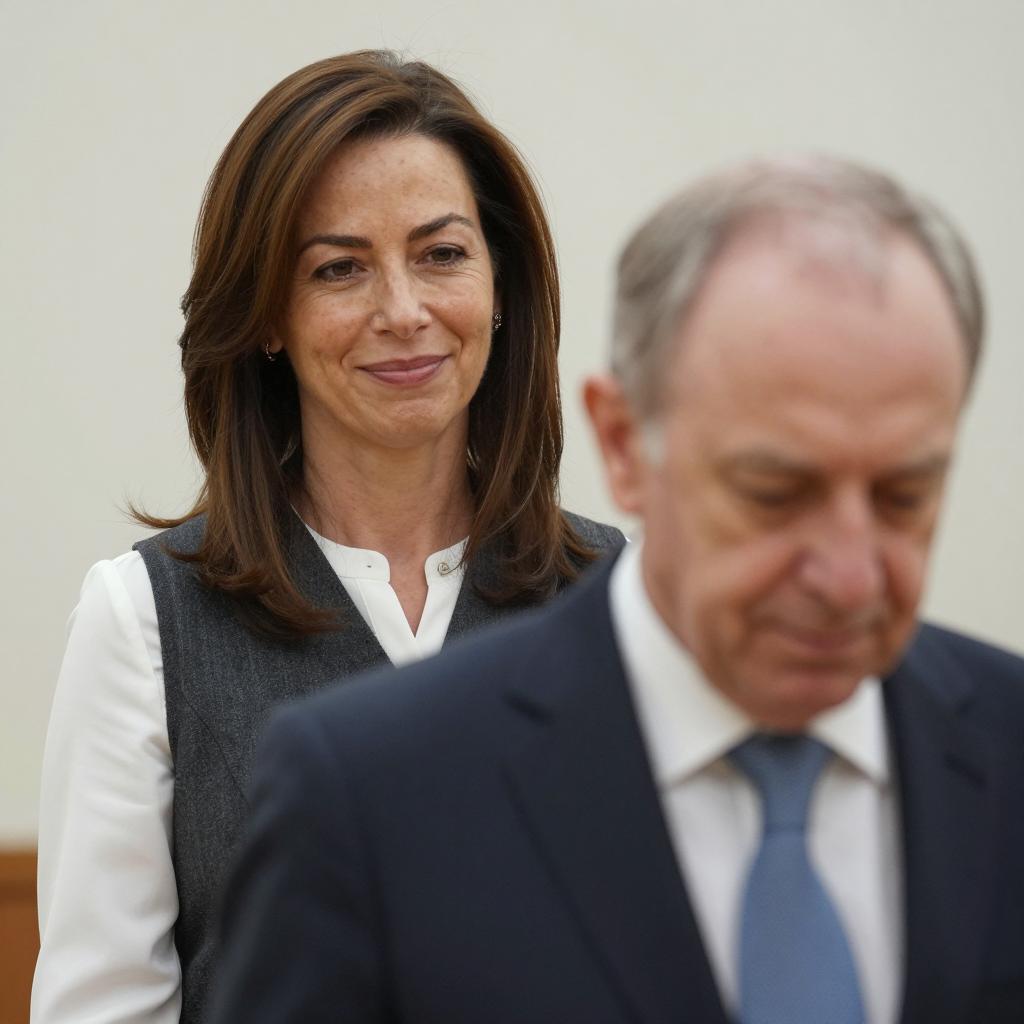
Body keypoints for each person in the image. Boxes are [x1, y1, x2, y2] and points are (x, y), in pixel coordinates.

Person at [211, 155, 1024, 1024]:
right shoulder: (373, 799)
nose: (849, 576)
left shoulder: (1007, 748)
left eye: (904, 496)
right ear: (626, 444)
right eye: (773, 493)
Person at [31, 51, 623, 1024]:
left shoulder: (623, 604)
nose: (403, 311)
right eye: (339, 268)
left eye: (441, 254)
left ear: (501, 284)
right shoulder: (143, 621)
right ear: (267, 315)